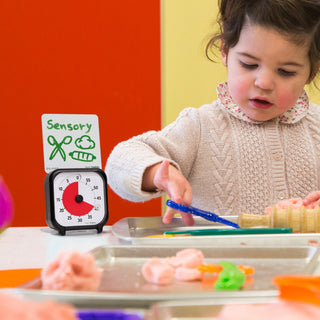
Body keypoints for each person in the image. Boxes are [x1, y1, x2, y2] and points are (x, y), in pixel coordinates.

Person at [106, 0, 320, 226]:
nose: (264, 83)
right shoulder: (200, 126)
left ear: (311, 71)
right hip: (216, 260)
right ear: (225, 52)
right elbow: (120, 159)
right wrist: (156, 172)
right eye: (249, 64)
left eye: (286, 72)